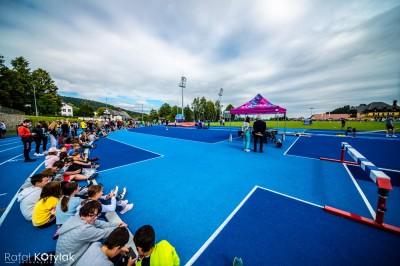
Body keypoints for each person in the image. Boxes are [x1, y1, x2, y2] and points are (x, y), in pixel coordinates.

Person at [55, 200, 126, 266]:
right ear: (83, 214)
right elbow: (104, 233)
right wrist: (120, 228)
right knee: (97, 243)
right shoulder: (83, 230)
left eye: (97, 215)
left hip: (63, 258)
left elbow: (98, 223)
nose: (95, 218)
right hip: (69, 263)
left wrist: (117, 224)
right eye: (92, 215)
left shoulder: (77, 217)